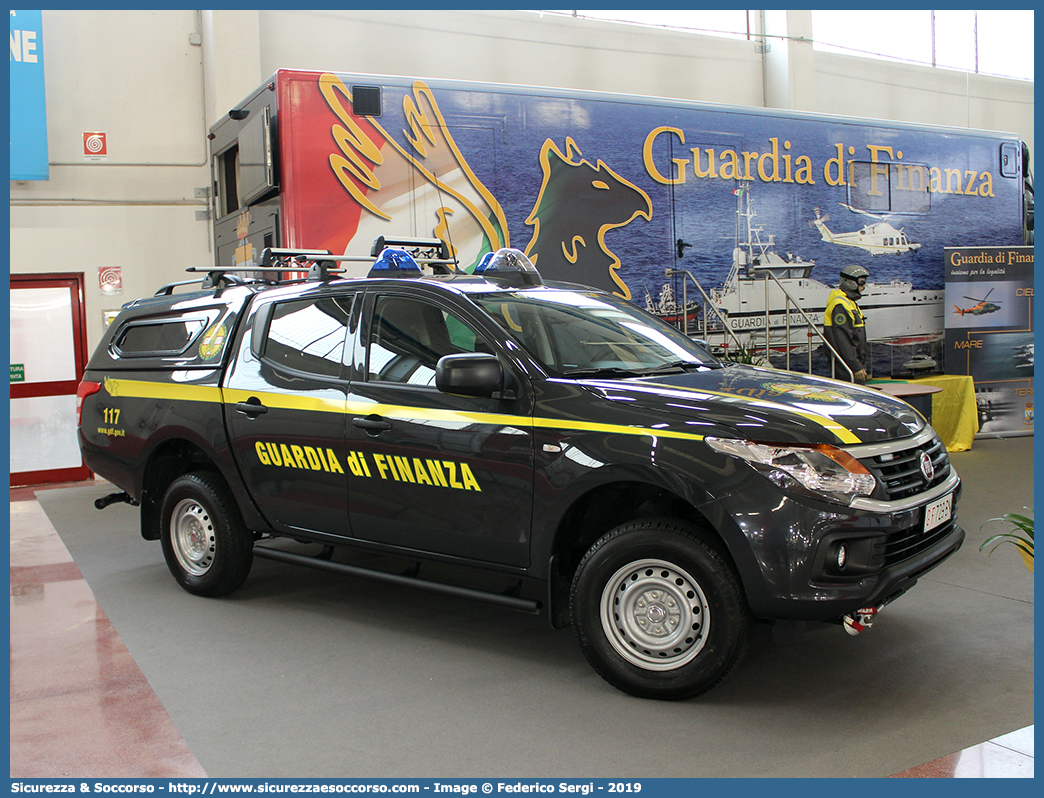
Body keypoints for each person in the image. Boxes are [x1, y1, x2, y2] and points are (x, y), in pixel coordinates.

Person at [823, 264, 869, 383]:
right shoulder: (840, 305)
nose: (864, 287)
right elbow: (842, 339)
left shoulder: (849, 302)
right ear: (851, 283)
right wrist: (855, 366)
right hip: (845, 366)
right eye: (862, 283)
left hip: (851, 363)